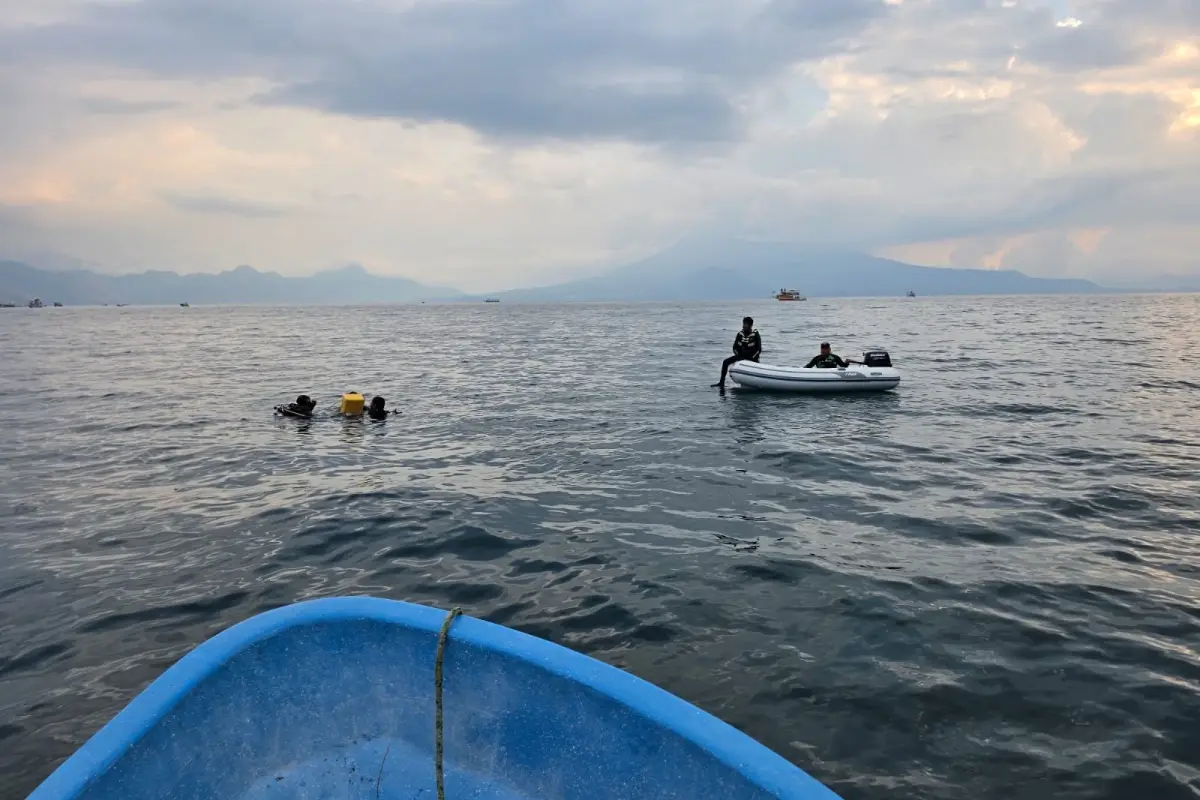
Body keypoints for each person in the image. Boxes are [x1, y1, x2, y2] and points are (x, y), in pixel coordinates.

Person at [712, 316, 762, 387]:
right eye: (743, 324)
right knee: (725, 362)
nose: (744, 326)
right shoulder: (739, 334)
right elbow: (734, 347)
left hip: (753, 358)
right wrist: (738, 356)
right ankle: (721, 382)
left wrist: (752, 358)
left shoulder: (755, 334)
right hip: (741, 357)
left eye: (746, 324)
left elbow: (759, 349)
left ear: (750, 325)